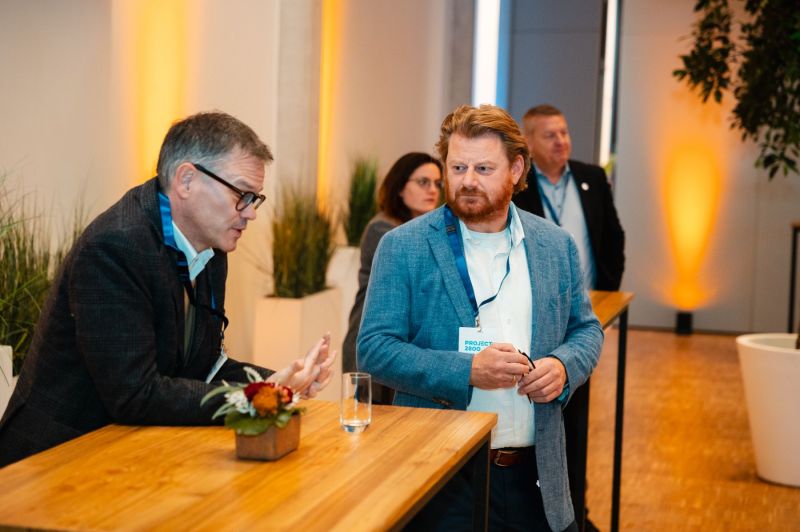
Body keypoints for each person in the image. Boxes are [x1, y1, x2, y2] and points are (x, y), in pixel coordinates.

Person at [0, 111, 335, 467]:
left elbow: (204, 367)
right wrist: (251, 399)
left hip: (130, 449)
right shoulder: (114, 247)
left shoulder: (212, 246)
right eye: (242, 194)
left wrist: (275, 387)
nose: (250, 213)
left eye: (255, 199)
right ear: (186, 180)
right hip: (53, 459)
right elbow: (136, 394)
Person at [358, 104, 603, 531]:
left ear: (516, 169)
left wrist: (564, 367)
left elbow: (586, 330)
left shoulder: (554, 245)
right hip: (441, 475)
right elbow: (374, 349)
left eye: (484, 168)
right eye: (458, 167)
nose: (468, 180)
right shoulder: (403, 247)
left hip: (535, 472)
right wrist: (467, 370)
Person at [514, 104, 625, 530]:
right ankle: (548, 507)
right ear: (528, 144)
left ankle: (576, 509)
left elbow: (613, 237)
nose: (561, 141)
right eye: (550, 135)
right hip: (539, 321)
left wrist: (607, 290)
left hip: (585, 317)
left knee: (577, 417)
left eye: (564, 132)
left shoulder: (591, 177)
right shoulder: (519, 188)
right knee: (547, 416)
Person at [342, 152, 443, 404]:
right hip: (378, 339)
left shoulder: (427, 229)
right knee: (376, 419)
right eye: (423, 182)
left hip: (406, 342)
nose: (432, 190)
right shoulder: (383, 230)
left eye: (437, 183)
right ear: (399, 187)